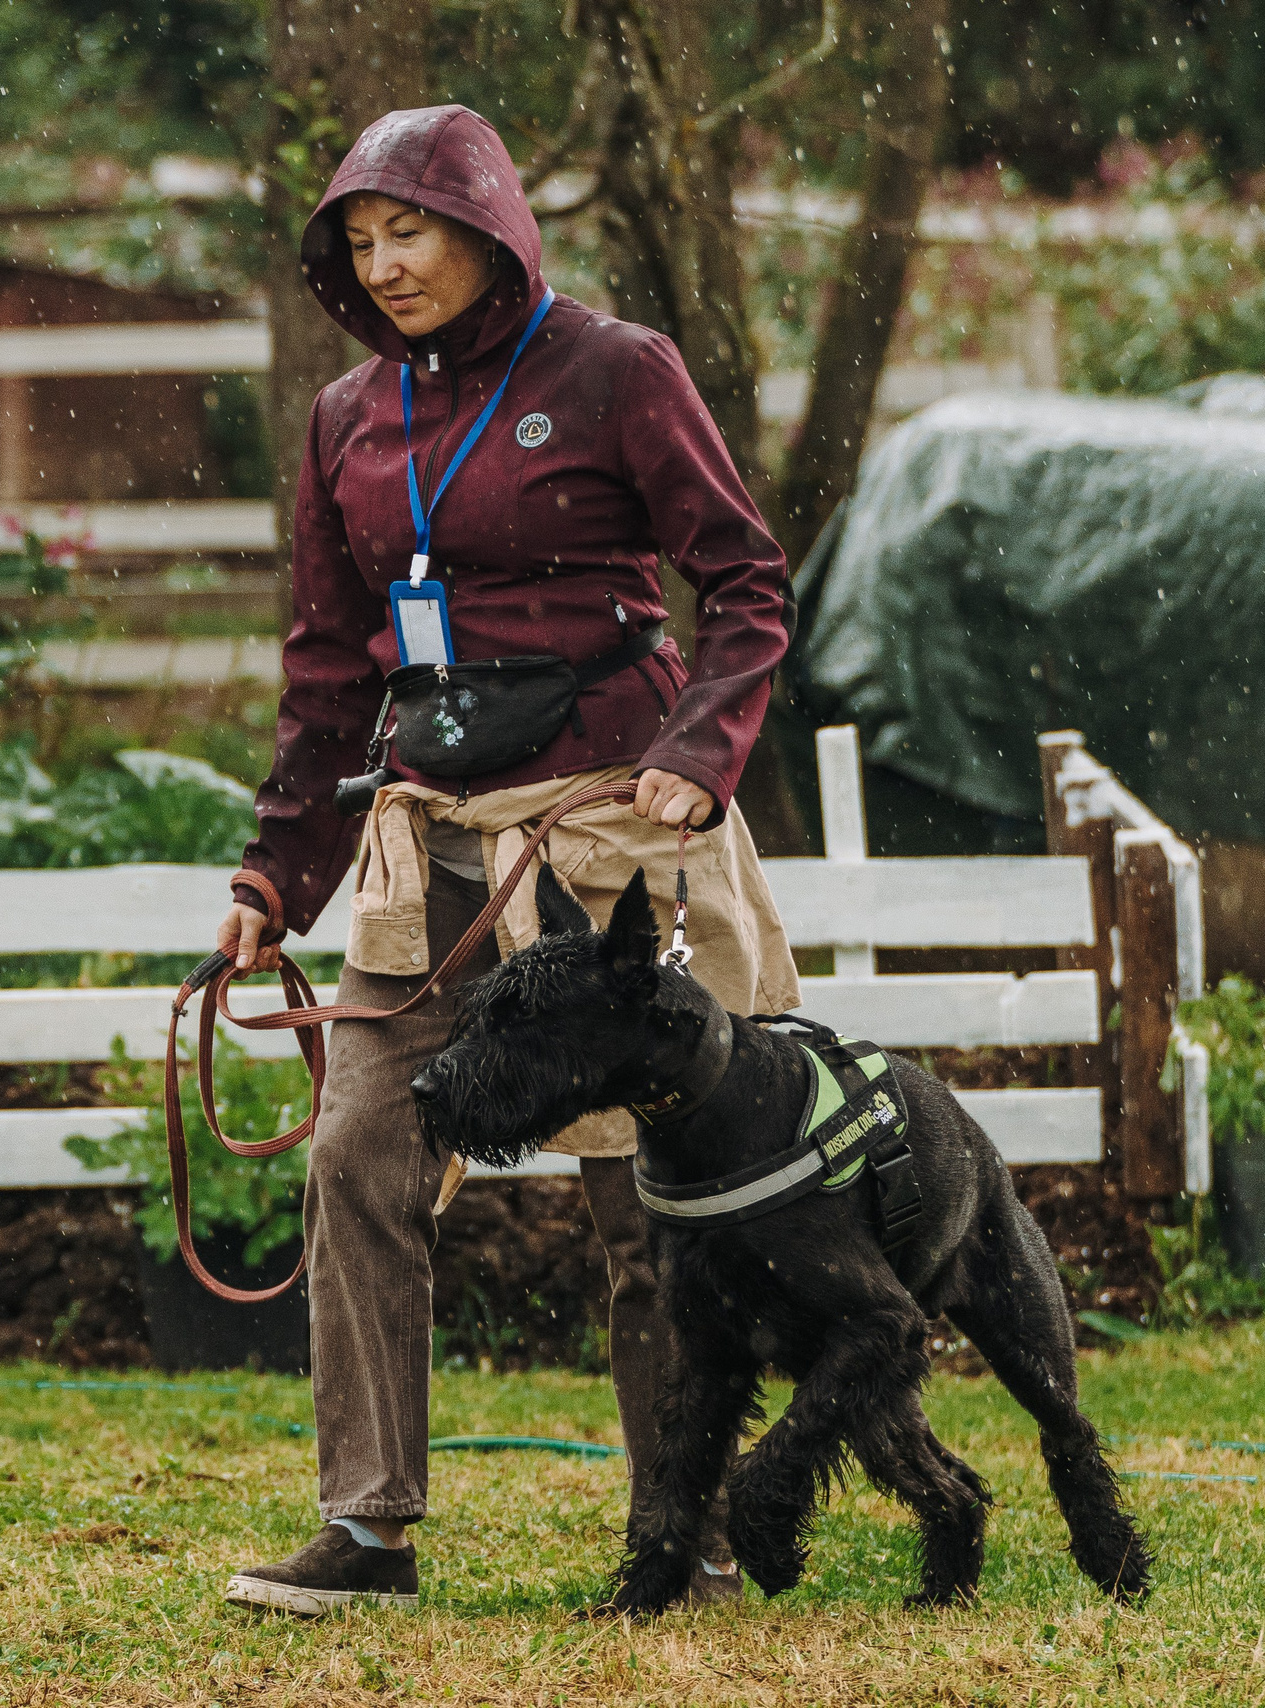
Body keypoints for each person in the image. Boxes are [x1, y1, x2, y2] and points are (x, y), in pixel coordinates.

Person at [215, 105, 804, 1616]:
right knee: (356, 1154)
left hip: (609, 834)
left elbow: (743, 584)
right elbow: (329, 669)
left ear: (489, 228)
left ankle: (687, 1540)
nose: (387, 263)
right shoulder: (349, 414)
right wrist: (276, 875)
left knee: (646, 1202)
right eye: (359, 240)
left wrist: (696, 758)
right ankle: (367, 1530)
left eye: (410, 229)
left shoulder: (618, 372)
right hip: (429, 850)